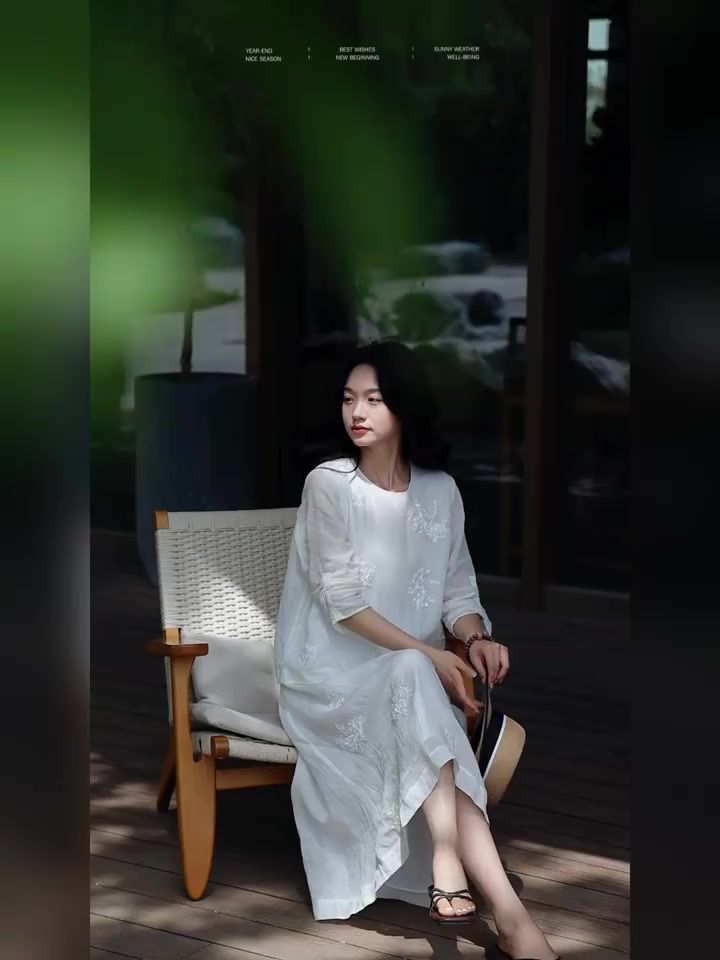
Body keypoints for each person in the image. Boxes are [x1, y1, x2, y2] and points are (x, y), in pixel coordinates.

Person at [274, 340, 558, 960]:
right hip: (330, 677)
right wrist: (432, 657)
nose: (357, 412)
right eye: (348, 398)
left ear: (404, 405)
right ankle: (464, 873)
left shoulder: (440, 490)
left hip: (411, 681)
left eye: (374, 399)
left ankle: (509, 916)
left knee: (413, 682)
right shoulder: (328, 485)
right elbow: (344, 605)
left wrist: (476, 639)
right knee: (413, 671)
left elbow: (458, 592)